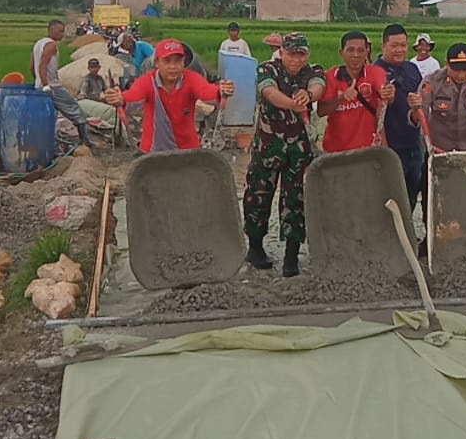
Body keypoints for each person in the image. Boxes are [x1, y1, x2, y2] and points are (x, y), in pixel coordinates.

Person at [242, 33, 326, 277]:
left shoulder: (312, 71)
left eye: (301, 54)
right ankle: (255, 248)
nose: (296, 59)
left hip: (299, 150)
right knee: (258, 195)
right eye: (291, 53)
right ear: (282, 52)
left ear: (307, 54)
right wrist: (292, 104)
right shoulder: (268, 68)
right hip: (268, 147)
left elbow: (318, 86)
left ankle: (291, 256)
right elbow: (269, 92)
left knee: (296, 200)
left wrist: (308, 96)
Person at [103, 40, 233, 152]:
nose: (173, 67)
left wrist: (221, 90)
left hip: (187, 150)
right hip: (154, 151)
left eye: (178, 61)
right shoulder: (147, 81)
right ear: (157, 62)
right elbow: (133, 97)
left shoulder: (192, 79)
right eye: (167, 61)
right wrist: (120, 98)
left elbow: (207, 92)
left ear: (184, 62)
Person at [374, 24, 425, 214]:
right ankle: (388, 240)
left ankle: (406, 237)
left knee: (411, 195)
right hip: (389, 145)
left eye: (403, 45)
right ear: (383, 46)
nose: (400, 50)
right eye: (394, 46)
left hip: (413, 142)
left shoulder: (412, 69)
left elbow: (421, 101)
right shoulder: (374, 71)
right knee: (388, 198)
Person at [317, 31, 395, 153]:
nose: (355, 55)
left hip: (368, 150)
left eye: (360, 50)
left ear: (367, 52)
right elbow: (321, 111)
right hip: (336, 151)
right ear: (341, 53)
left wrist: (388, 93)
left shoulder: (375, 72)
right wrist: (341, 98)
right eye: (350, 50)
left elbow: (385, 93)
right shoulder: (331, 76)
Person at [32, 19, 92, 147]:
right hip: (51, 86)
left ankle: (48, 141)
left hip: (40, 86)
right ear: (51, 30)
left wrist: (38, 82)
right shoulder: (51, 45)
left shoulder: (38, 44)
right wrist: (46, 85)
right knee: (76, 109)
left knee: (49, 115)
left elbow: (32, 67)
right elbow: (42, 65)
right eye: (60, 31)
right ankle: (84, 141)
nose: (62, 34)